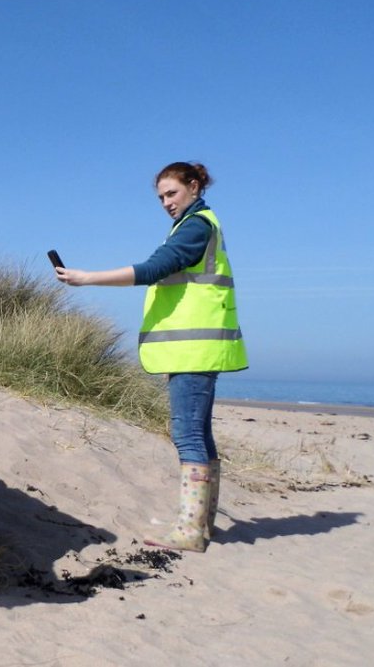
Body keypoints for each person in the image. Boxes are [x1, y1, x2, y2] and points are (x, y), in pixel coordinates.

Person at [54, 162, 247, 553]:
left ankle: (191, 530)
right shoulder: (193, 224)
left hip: (195, 349)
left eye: (171, 193)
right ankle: (201, 523)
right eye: (160, 197)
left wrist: (87, 277)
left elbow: (155, 268)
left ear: (193, 187)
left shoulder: (197, 226)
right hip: (192, 349)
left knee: (188, 434)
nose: (165, 202)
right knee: (200, 435)